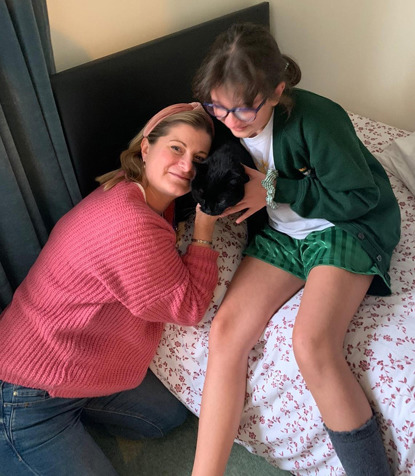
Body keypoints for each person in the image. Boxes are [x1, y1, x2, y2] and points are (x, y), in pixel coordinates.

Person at [190, 23, 400, 476]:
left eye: (245, 108)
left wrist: (272, 190)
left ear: (277, 90)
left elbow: (361, 197)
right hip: (285, 233)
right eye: (218, 107)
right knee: (225, 333)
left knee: (311, 344)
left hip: (344, 224)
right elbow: (172, 133)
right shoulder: (220, 119)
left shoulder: (317, 119)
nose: (231, 120)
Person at [0, 102, 220, 475]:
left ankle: (73, 413)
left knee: (166, 417)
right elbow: (190, 307)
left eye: (199, 158)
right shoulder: (131, 222)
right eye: (177, 148)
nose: (187, 167)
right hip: (25, 390)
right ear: (146, 148)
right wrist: (204, 232)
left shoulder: (135, 190)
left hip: (75, 363)